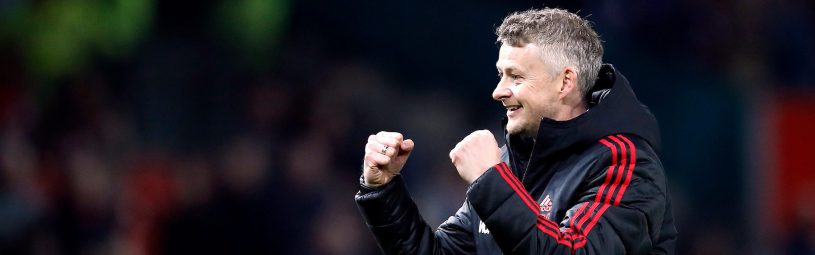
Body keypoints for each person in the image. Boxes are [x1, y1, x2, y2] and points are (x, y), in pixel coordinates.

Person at [355, 8, 677, 254]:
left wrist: (490, 182)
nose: (498, 91)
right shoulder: (514, 160)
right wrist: (382, 190)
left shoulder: (624, 163)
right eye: (500, 74)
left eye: (515, 77)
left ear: (565, 82)